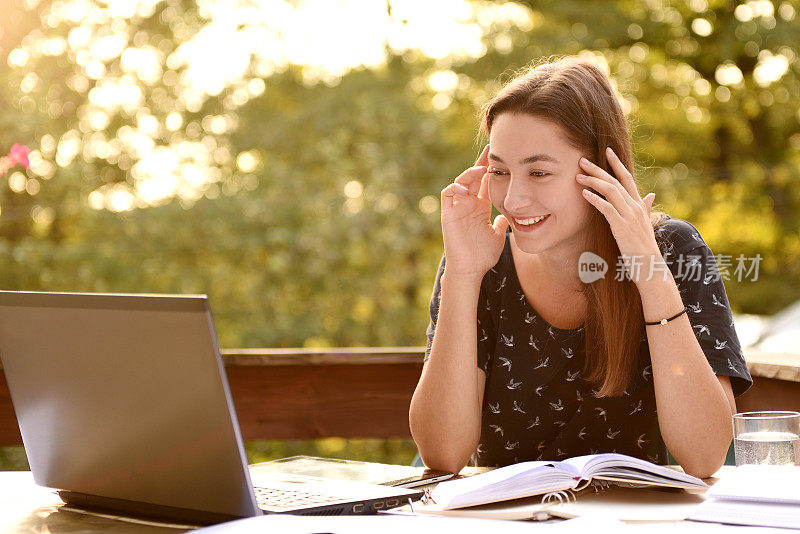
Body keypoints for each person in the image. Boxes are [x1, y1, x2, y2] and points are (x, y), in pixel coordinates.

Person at [408, 56, 753, 479]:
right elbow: (442, 455)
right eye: (499, 170)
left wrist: (649, 271)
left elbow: (705, 456)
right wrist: (462, 274)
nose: (513, 199)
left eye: (538, 172)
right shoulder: (480, 261)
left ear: (601, 171)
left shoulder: (673, 251)